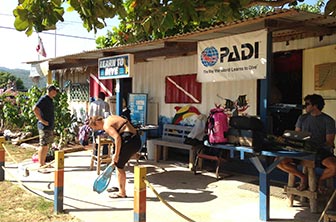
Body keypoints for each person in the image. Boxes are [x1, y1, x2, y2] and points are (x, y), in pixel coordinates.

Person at [277, 94, 336, 193]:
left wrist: (315, 147)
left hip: (319, 151)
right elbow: (296, 135)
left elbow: (329, 142)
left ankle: (320, 180)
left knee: (334, 167)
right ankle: (303, 177)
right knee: (279, 161)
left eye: (307, 104)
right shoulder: (302, 118)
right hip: (302, 149)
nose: (305, 106)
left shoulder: (328, 120)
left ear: (315, 106)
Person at [89, 115, 141, 198]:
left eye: (97, 128)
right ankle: (121, 186)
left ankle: (122, 192)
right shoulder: (110, 117)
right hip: (136, 139)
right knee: (118, 164)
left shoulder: (106, 125)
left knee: (119, 165)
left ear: (98, 122)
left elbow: (117, 138)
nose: (99, 130)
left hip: (129, 141)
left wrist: (116, 155)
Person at [33, 85, 59, 173]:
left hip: (49, 126)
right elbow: (35, 109)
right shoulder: (44, 98)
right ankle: (40, 165)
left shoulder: (50, 100)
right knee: (43, 145)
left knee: (46, 145)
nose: (56, 92)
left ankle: (43, 162)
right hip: (44, 126)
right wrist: (42, 120)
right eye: (55, 91)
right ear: (51, 91)